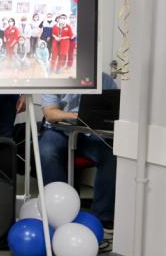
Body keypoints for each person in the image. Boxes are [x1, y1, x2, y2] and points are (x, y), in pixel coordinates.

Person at [39, 73, 117, 231]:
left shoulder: (105, 80)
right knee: (47, 152)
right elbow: (51, 113)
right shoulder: (54, 77)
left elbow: (114, 110)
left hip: (92, 133)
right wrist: (78, 116)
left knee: (111, 153)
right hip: (59, 130)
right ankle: (58, 212)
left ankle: (103, 215)